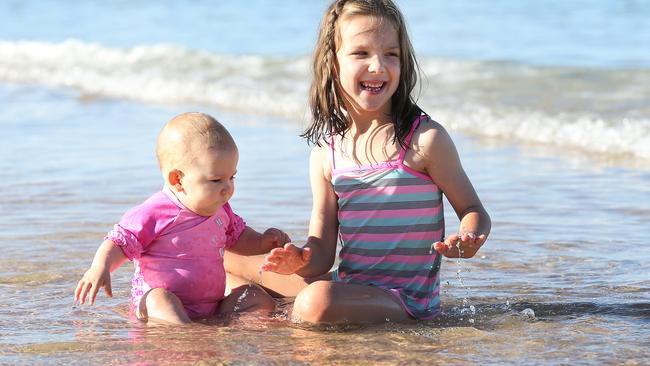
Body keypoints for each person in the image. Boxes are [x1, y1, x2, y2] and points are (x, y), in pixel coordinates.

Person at [225, 0, 491, 324]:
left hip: (404, 301)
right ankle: (250, 308)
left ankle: (280, 308)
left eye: (391, 54)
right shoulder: (327, 155)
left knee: (313, 302)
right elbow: (321, 253)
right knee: (230, 259)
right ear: (333, 64)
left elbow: (473, 210)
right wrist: (300, 261)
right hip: (348, 286)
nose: (378, 66)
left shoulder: (425, 141)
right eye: (361, 53)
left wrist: (468, 238)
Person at [74, 112, 291, 325]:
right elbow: (120, 241)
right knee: (160, 298)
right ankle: (186, 333)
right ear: (177, 179)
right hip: (160, 308)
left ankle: (225, 326)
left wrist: (263, 242)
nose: (228, 188)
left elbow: (238, 237)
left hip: (212, 306)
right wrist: (100, 266)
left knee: (252, 295)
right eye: (216, 180)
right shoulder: (156, 211)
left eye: (232, 177)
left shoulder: (220, 210)